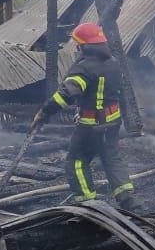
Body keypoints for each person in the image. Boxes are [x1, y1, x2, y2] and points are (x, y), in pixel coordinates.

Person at [34, 22, 140, 212]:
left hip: (91, 127)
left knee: (76, 161)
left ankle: (87, 202)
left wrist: (44, 112)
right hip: (113, 124)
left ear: (85, 46)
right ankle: (128, 199)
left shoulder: (84, 69)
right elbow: (122, 93)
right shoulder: (115, 64)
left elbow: (64, 95)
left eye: (78, 44)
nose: (76, 48)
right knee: (112, 158)